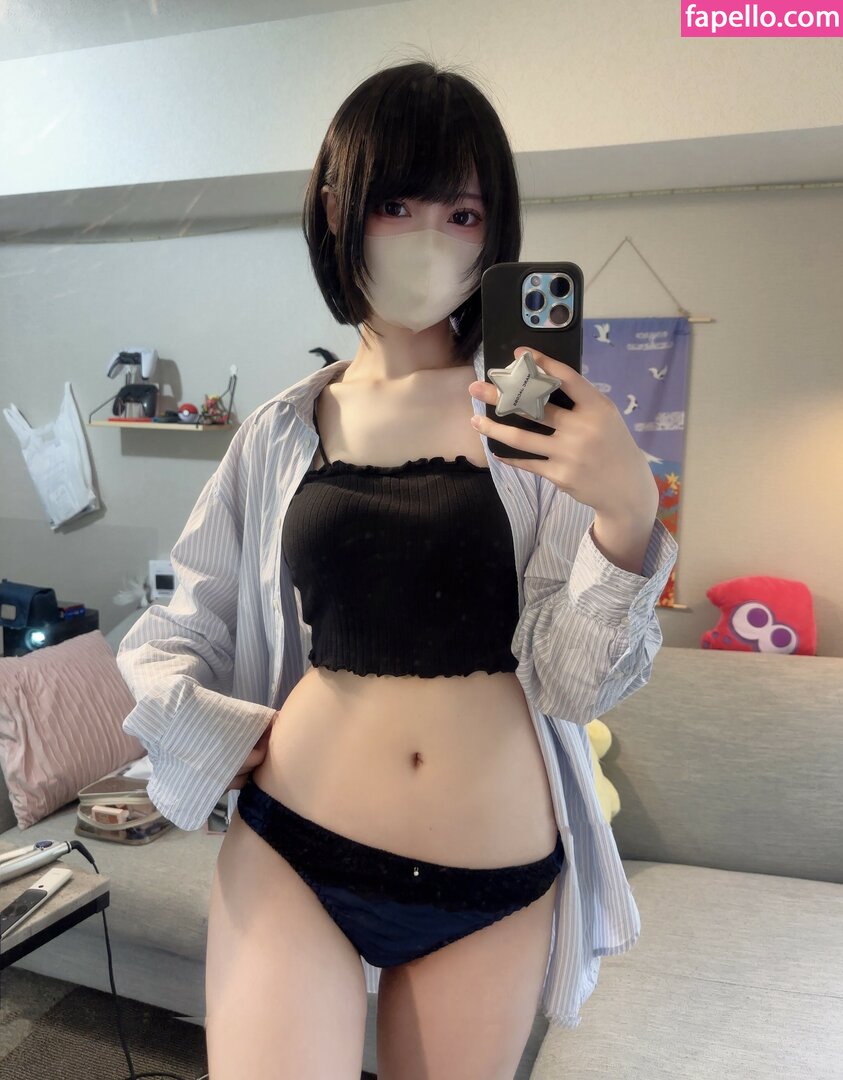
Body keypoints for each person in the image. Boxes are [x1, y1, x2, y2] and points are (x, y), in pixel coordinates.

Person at [116, 57, 678, 1080]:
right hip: (296, 843)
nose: (428, 239)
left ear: (495, 233)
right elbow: (175, 628)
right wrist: (211, 733)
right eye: (396, 204)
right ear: (338, 211)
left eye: (462, 214)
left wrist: (627, 518)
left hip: (492, 875)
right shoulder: (281, 430)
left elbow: (574, 685)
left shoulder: (536, 425)